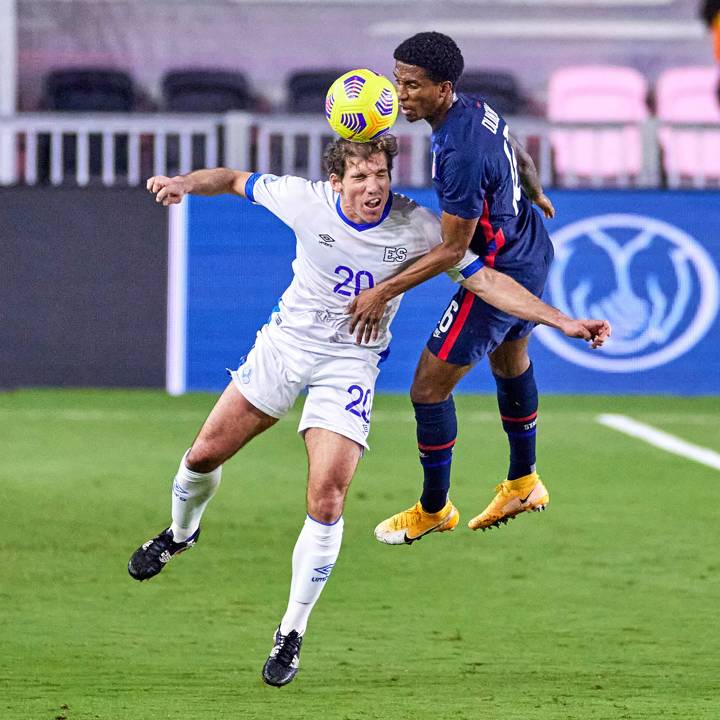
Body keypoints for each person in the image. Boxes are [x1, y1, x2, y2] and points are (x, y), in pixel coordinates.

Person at [128, 135, 608, 687]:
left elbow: (489, 281)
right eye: (359, 177)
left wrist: (563, 321)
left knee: (328, 496)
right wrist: (185, 183)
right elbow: (235, 179)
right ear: (337, 182)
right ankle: (180, 533)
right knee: (203, 455)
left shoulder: (420, 227)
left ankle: (292, 631)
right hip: (284, 349)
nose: (372, 186)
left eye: (380, 174)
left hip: (350, 365)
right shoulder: (303, 199)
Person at [347, 32, 611, 545]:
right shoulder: (478, 108)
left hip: (500, 270)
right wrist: (534, 190)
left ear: (444, 89)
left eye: (413, 85)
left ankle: (432, 508)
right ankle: (524, 480)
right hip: (531, 246)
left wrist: (382, 292)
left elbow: (452, 252)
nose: (400, 95)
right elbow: (520, 154)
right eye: (398, 80)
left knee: (427, 387)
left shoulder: (458, 156)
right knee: (511, 362)